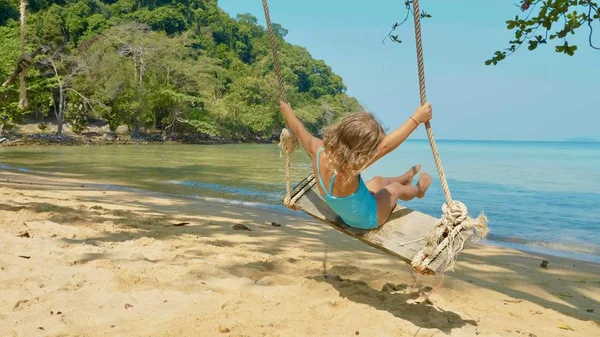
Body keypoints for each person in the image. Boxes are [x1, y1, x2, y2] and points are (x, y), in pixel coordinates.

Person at [279, 101, 433, 230]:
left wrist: (287, 112)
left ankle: (404, 178)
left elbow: (299, 129)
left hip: (349, 211)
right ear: (360, 152)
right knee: (395, 190)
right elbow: (386, 147)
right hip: (369, 219)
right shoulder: (348, 169)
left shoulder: (317, 149)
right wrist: (416, 119)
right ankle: (418, 191)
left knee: (378, 180)